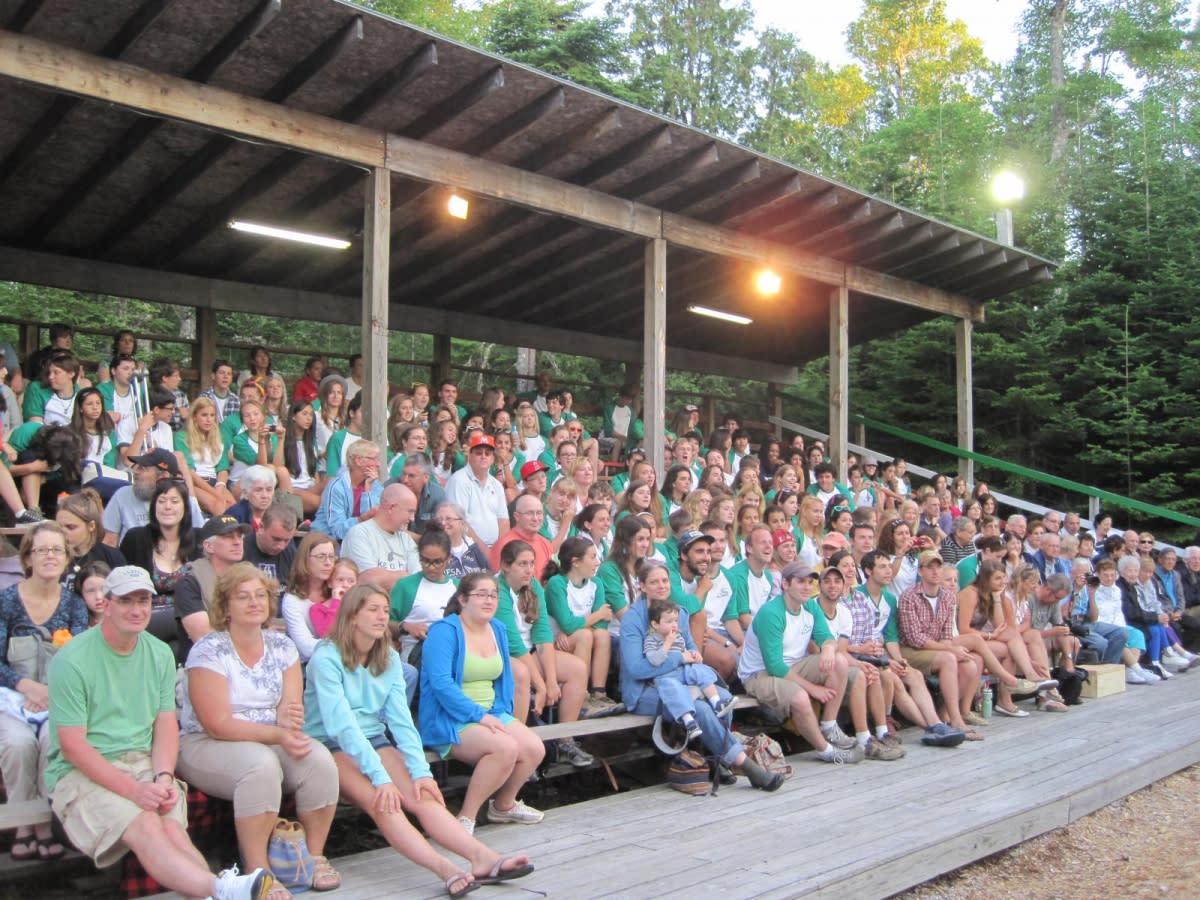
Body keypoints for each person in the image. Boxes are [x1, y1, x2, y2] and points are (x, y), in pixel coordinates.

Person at [47, 565, 273, 898]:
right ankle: (219, 887)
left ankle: (222, 890)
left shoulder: (159, 653)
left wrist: (164, 776)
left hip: (143, 762)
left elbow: (165, 723)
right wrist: (134, 790)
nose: (137, 610)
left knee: (173, 829)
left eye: (143, 601)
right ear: (105, 604)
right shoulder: (71, 660)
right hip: (81, 771)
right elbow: (72, 747)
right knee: (147, 825)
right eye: (126, 601)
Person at [304, 581, 533, 896]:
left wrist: (421, 773)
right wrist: (380, 777)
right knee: (384, 802)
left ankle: (484, 858)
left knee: (423, 794)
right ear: (352, 616)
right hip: (330, 744)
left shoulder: (388, 657)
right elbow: (341, 726)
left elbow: (401, 722)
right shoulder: (327, 657)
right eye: (373, 610)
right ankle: (446, 869)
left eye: (386, 610)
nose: (382, 616)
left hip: (372, 738)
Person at [178, 563, 341, 897]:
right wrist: (280, 734)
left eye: (260, 596)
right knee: (260, 766)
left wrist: (287, 722)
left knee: (319, 760)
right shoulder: (208, 650)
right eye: (243, 597)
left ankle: (311, 857)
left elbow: (289, 708)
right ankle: (258, 870)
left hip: (268, 736)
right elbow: (218, 724)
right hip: (207, 742)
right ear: (226, 606)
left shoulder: (282, 646)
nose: (254, 602)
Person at [622, 560, 784, 790]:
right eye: (654, 582)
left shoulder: (678, 612)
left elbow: (691, 650)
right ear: (642, 586)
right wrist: (679, 659)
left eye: (665, 580)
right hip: (646, 689)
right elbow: (636, 669)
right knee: (700, 708)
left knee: (723, 698)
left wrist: (692, 658)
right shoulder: (633, 619)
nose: (661, 586)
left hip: (683, 680)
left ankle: (716, 758)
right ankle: (746, 765)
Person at [419, 573, 547, 833]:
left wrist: (501, 715)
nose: (489, 600)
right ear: (463, 599)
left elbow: (504, 678)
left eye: (493, 595)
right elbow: (441, 684)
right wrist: (478, 715)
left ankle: (503, 805)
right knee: (505, 748)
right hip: (451, 717)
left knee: (534, 748)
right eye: (481, 594)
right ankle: (466, 817)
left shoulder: (497, 628)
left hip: (491, 711)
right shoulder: (444, 631)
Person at [1, 522, 89, 860]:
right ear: (28, 557)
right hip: (10, 696)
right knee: (18, 743)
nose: (50, 556)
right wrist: (28, 687)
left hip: (56, 697)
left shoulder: (74, 604)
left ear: (66, 558)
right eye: (42, 550)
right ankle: (25, 825)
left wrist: (50, 692)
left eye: (57, 550)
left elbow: (79, 659)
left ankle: (43, 822)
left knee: (54, 740)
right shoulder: (6, 601)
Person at [846, 552, 964, 746]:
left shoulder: (890, 598)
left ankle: (936, 725)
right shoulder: (856, 596)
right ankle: (930, 728)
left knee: (913, 674)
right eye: (882, 567)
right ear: (868, 571)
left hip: (880, 652)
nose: (888, 571)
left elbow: (891, 636)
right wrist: (885, 660)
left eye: (888, 566)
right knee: (895, 680)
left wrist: (897, 659)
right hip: (860, 653)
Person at [493, 540, 592, 765]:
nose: (529, 570)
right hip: (506, 655)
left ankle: (565, 741)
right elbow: (514, 644)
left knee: (577, 669)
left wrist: (552, 681)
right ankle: (518, 749)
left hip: (530, 653)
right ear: (506, 566)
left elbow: (543, 634)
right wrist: (541, 685)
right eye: (522, 564)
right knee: (522, 673)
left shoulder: (534, 587)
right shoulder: (497, 590)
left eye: (531, 563)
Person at [897, 550, 985, 740]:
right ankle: (957, 720)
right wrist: (950, 650)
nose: (935, 571)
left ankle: (945, 713)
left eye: (938, 567)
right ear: (920, 571)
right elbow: (915, 638)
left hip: (936, 648)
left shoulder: (948, 597)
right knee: (949, 658)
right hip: (910, 650)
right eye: (930, 567)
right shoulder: (909, 596)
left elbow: (946, 634)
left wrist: (950, 648)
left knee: (970, 665)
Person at [543, 537, 623, 717]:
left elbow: (602, 623)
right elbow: (567, 623)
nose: (598, 562)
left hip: (574, 638)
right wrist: (596, 616)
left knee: (602, 635)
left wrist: (579, 626)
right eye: (593, 557)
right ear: (576, 562)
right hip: (556, 645)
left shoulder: (596, 583)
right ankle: (582, 697)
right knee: (584, 636)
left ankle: (599, 694)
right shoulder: (557, 583)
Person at [642, 596, 733, 741]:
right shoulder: (651, 639)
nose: (674, 625)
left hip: (684, 671)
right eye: (669, 622)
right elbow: (654, 660)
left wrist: (694, 654)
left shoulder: (678, 636)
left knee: (701, 671)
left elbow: (685, 651)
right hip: (666, 675)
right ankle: (689, 722)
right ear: (655, 624)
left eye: (675, 621)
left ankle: (717, 702)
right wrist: (667, 644)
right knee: (673, 690)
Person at [174, 515, 253, 663]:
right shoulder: (189, 583)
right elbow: (204, 638)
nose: (237, 542)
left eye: (240, 536)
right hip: (204, 664)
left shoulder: (249, 579)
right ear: (208, 546)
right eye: (228, 537)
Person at [101, 449, 204, 544]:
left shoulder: (187, 503)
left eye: (142, 468)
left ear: (163, 476)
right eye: (136, 467)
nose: (135, 472)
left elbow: (200, 541)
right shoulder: (122, 495)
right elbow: (109, 541)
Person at [389, 525, 459, 661]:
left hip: (452, 651)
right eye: (425, 561)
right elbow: (384, 624)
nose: (431, 567)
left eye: (437, 562)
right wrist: (405, 627)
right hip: (417, 654)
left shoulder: (458, 586)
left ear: (448, 558)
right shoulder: (406, 586)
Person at [341, 483, 419, 593]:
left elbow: (419, 579)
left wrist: (388, 577)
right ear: (392, 507)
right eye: (410, 512)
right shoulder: (359, 534)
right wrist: (404, 576)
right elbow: (368, 581)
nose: (412, 518)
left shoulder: (406, 539)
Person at [281, 531, 338, 662]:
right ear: (305, 560)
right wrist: (346, 647)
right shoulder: (292, 600)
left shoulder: (340, 591)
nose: (328, 562)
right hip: (308, 665)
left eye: (331, 556)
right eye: (321, 556)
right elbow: (306, 648)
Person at [445, 432, 509, 549]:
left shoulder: (497, 485)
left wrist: (499, 550)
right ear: (470, 456)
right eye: (478, 453)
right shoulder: (458, 480)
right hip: (467, 548)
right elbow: (460, 522)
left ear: (492, 458)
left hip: (494, 548)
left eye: (487, 453)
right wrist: (484, 551)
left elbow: (503, 520)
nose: (483, 456)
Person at [310, 439, 384, 541]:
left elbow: (373, 526)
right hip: (327, 541)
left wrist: (368, 491)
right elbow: (338, 531)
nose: (378, 464)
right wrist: (361, 519)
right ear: (358, 460)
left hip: (359, 541)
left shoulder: (374, 485)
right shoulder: (336, 487)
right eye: (374, 459)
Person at [56, 488, 125, 595]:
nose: (63, 533)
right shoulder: (52, 556)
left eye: (71, 527)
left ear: (91, 526)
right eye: (58, 527)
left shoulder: (111, 556)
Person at [488, 491, 554, 576]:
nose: (535, 518)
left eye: (539, 513)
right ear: (517, 516)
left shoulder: (545, 544)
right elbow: (498, 581)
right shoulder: (504, 545)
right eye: (529, 513)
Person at [240, 503, 297, 585]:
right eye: (276, 539)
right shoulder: (240, 550)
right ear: (261, 527)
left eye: (287, 540)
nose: (281, 547)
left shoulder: (291, 554)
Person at [397, 452, 446, 535]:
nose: (405, 480)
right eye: (403, 474)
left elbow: (440, 533)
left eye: (411, 476)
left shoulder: (438, 495)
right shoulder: (391, 488)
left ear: (426, 477)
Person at [198, 359, 239, 424]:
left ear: (231, 378)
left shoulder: (236, 400)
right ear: (213, 376)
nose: (225, 376)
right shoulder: (204, 397)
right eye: (222, 373)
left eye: (229, 374)